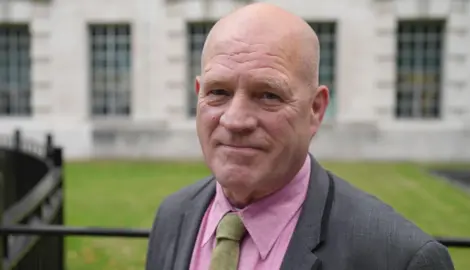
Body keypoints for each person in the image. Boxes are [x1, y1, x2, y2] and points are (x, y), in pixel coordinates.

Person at [145, 3, 454, 270]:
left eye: (267, 95)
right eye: (219, 92)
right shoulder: (173, 216)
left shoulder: (399, 259)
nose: (235, 119)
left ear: (315, 110)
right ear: (198, 95)